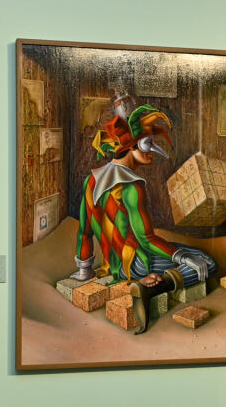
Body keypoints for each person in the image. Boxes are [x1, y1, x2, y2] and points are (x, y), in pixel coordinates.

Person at [72, 98, 216, 333]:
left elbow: (84, 232)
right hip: (137, 262)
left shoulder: (92, 180)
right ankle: (151, 288)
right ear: (130, 146)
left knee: (189, 255)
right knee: (206, 261)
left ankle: (146, 279)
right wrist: (183, 258)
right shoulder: (132, 185)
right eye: (148, 143)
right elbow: (146, 239)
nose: (153, 152)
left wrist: (84, 271)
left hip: (114, 265)